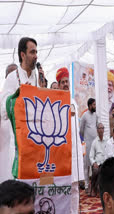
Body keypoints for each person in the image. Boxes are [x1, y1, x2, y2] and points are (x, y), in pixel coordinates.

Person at [0, 38, 45, 183]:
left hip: (35, 142)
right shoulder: (13, 78)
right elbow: (3, 110)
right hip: (17, 144)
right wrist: (18, 96)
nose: (36, 55)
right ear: (23, 55)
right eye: (32, 52)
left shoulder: (36, 77)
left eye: (36, 52)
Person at [56, 67, 84, 214]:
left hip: (75, 153)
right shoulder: (55, 100)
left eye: (67, 81)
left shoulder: (73, 102)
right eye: (63, 82)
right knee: (62, 187)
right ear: (58, 84)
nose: (66, 84)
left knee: (74, 187)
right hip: (61, 152)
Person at [80, 98, 98, 194]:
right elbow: (81, 130)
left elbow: (95, 127)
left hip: (94, 144)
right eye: (94, 105)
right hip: (87, 144)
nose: (95, 106)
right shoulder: (84, 116)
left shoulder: (95, 115)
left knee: (94, 165)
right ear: (90, 105)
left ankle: (94, 186)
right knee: (86, 165)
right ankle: (87, 185)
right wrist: (87, 139)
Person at [89, 123, 108, 197]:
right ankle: (94, 187)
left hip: (105, 163)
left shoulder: (107, 140)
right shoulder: (94, 142)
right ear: (97, 130)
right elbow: (91, 156)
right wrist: (94, 163)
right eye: (99, 128)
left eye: (102, 128)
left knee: (104, 170)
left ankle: (100, 188)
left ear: (104, 130)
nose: (101, 130)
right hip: (97, 163)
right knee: (96, 170)